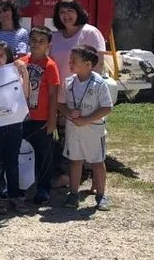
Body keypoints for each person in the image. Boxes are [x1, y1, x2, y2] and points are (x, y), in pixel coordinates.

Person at [58, 45, 113, 210]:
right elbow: (60, 104)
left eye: (74, 61)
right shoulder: (69, 82)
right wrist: (69, 113)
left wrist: (86, 119)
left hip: (93, 130)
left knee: (97, 162)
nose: (70, 63)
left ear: (88, 64)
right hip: (74, 130)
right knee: (75, 161)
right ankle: (73, 193)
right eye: (70, 60)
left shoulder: (99, 83)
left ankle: (101, 195)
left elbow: (106, 107)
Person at [0, 41, 31, 214]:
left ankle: (14, 195)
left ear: (8, 57)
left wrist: (24, 72)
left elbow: (25, 94)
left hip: (13, 123)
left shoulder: (15, 74)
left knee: (12, 161)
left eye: (1, 55)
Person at [23, 26, 61, 205]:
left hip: (42, 119)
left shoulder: (50, 66)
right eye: (33, 40)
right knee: (22, 153)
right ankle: (21, 186)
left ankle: (43, 188)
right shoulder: (21, 62)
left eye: (41, 41)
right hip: (23, 118)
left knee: (43, 154)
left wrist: (52, 119)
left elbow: (53, 95)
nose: (36, 44)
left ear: (48, 45)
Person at [50, 0, 107, 81]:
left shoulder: (90, 32)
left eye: (70, 11)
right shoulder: (54, 36)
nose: (66, 15)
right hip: (57, 88)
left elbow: (99, 64)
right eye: (62, 12)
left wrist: (89, 86)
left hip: (81, 87)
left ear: (78, 13)